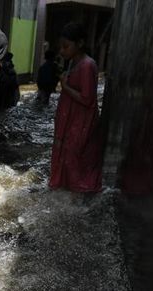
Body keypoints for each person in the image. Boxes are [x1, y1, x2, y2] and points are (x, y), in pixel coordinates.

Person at [50, 22, 102, 193]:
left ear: (79, 44)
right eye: (61, 47)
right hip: (71, 119)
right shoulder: (74, 62)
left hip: (80, 122)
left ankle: (77, 192)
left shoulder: (88, 65)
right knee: (67, 154)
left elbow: (87, 99)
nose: (62, 51)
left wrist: (65, 87)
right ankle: (65, 187)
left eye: (66, 46)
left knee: (75, 156)